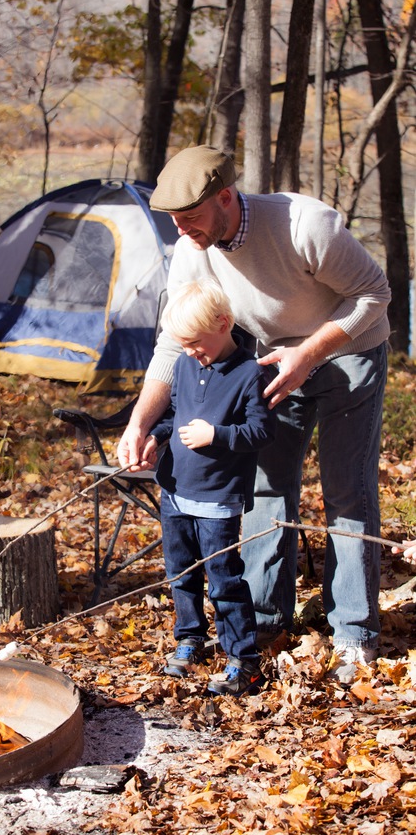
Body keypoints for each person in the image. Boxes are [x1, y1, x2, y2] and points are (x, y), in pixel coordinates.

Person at [118, 145, 391, 686]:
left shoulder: (306, 225)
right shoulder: (193, 248)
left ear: (226, 197)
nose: (181, 230)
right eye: (172, 219)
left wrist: (310, 353)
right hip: (270, 362)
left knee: (346, 492)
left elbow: (374, 294)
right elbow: (173, 346)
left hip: (349, 351)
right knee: (266, 486)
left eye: (190, 217)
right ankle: (264, 621)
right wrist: (139, 422)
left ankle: (354, 633)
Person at [140, 279, 276, 697]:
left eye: (195, 342)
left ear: (223, 324)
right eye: (182, 344)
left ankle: (244, 661)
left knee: (224, 579)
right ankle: (190, 638)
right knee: (180, 572)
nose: (189, 351)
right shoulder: (185, 363)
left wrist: (215, 435)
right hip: (176, 489)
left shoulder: (250, 373)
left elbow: (260, 431)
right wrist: (155, 437)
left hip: (217, 496)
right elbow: (178, 413)